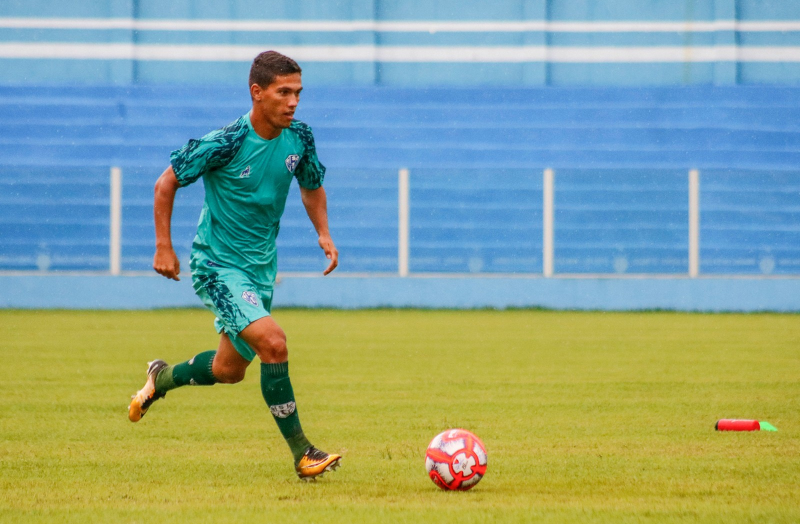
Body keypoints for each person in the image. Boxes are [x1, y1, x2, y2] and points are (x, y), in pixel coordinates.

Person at [128, 50, 341, 481]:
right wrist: (162, 247)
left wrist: (323, 233)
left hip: (259, 269)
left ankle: (161, 378)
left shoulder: (300, 137)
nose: (293, 101)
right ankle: (303, 453)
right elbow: (165, 182)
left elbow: (312, 184)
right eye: (284, 92)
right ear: (257, 93)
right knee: (274, 344)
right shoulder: (225, 142)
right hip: (217, 266)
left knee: (228, 371)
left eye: (298, 92)